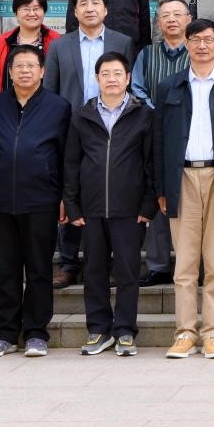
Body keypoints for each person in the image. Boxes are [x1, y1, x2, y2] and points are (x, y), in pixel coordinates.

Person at [153, 18, 214, 360]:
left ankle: (212, 333)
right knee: (184, 264)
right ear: (187, 44)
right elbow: (158, 140)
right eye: (195, 39)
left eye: (209, 39)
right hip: (181, 178)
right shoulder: (170, 86)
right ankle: (184, 332)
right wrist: (161, 187)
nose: (202, 45)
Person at [0, 45, 71, 358]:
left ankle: (36, 334)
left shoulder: (58, 107)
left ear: (42, 71)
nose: (25, 71)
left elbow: (66, 157)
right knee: (7, 271)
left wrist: (65, 197)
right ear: (10, 71)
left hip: (41, 200)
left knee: (40, 270)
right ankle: (4, 334)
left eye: (31, 66)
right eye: (19, 66)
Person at [63, 51, 154, 357]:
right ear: (97, 78)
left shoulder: (143, 115)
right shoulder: (82, 115)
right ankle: (99, 329)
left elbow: (150, 163)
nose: (112, 79)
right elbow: (71, 163)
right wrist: (72, 205)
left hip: (129, 210)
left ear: (128, 78)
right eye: (105, 74)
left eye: (117, 74)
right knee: (94, 272)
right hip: (90, 210)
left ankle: (125, 330)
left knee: (127, 272)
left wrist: (148, 205)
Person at [43, 0, 134, 289]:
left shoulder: (123, 42)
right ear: (75, 11)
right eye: (83, 3)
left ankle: (111, 263)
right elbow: (50, 91)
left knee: (111, 191)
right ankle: (68, 262)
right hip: (73, 129)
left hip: (114, 129)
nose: (90, 8)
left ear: (106, 9)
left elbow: (130, 84)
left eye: (96, 3)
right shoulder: (59, 46)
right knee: (71, 189)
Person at [129, 0, 193, 287]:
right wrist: (158, 112)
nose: (171, 19)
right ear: (158, 22)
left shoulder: (198, 50)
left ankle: (190, 263)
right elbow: (137, 88)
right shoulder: (147, 54)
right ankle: (158, 265)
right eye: (165, 15)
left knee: (190, 200)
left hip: (191, 133)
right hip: (154, 132)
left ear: (188, 19)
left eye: (178, 14)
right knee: (157, 195)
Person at [0, 0, 61, 94]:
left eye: (37, 8)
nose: (32, 13)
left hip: (47, 103)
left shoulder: (56, 41)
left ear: (44, 12)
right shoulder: (3, 42)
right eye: (26, 9)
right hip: (7, 103)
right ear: (16, 13)